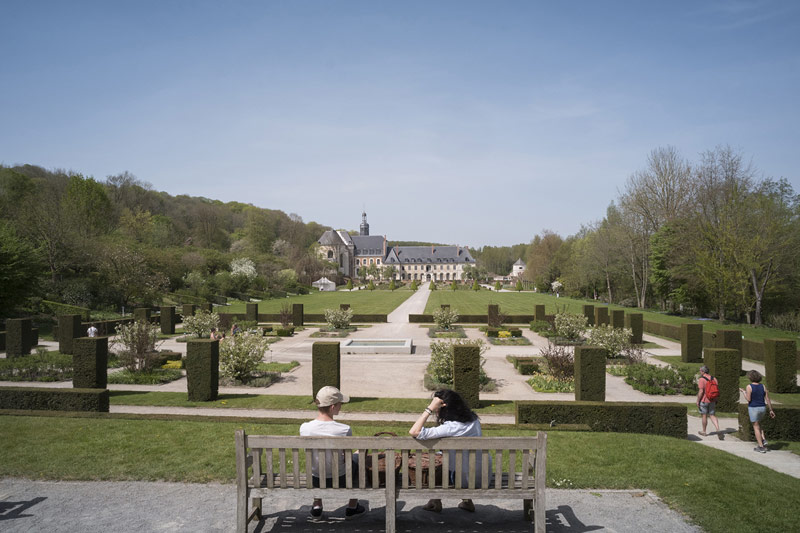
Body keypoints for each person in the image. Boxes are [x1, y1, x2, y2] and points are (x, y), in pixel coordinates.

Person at [409, 389, 491, 513]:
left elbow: (414, 431)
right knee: (456, 461)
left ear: (443, 407)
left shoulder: (452, 427)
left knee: (439, 467)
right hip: (484, 475)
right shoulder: (474, 420)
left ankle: (435, 501)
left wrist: (429, 409)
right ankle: (462, 502)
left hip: (468, 481)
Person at [299, 386, 365, 519]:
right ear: (332, 407)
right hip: (340, 478)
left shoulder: (305, 428)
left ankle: (317, 505)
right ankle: (352, 506)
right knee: (359, 457)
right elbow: (347, 459)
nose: (341, 406)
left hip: (315, 479)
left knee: (318, 465)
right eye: (340, 403)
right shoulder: (344, 430)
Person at [740, 370, 776, 453]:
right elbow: (767, 399)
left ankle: (761, 446)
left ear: (750, 377)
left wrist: (744, 392)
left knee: (755, 427)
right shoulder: (763, 386)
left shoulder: (749, 387)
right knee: (759, 424)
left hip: (754, 408)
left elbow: (748, 399)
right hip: (762, 407)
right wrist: (771, 410)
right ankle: (763, 440)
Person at [696, 366, 721, 437]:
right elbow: (716, 390)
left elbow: (701, 391)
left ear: (703, 372)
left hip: (704, 400)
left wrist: (698, 401)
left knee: (704, 415)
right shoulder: (714, 379)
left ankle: (704, 431)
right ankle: (717, 429)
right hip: (712, 400)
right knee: (712, 415)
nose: (700, 372)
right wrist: (716, 399)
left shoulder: (702, 379)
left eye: (700, 371)